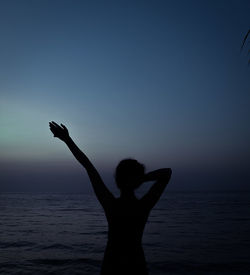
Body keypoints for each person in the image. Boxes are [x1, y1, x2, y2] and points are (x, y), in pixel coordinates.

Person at [49, 121, 172, 275]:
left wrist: (67, 140)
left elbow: (88, 166)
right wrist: (142, 178)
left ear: (117, 179)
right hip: (137, 266)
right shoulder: (143, 206)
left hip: (111, 266)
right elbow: (167, 173)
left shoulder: (111, 205)